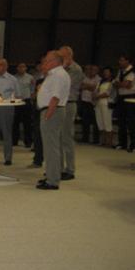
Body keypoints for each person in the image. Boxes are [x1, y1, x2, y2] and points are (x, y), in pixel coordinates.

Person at [36, 51, 70, 190]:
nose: (45, 62)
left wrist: (47, 115)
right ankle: (51, 175)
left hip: (52, 112)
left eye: (47, 60)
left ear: (55, 61)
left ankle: (53, 181)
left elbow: (55, 97)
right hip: (51, 111)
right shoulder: (54, 74)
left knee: (51, 147)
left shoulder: (58, 75)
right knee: (50, 147)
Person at [58, 46, 84, 181]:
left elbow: (64, 85)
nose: (60, 58)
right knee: (58, 138)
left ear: (69, 56)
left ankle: (70, 169)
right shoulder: (60, 68)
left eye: (62, 56)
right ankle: (58, 168)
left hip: (69, 104)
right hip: (59, 104)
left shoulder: (76, 69)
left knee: (67, 137)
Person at [113, 55, 135, 152]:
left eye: (122, 60)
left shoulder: (132, 71)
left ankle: (133, 145)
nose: (120, 62)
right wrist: (120, 84)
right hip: (121, 97)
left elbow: (127, 85)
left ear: (128, 61)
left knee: (131, 122)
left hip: (130, 97)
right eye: (119, 60)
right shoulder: (120, 71)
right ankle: (122, 143)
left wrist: (119, 84)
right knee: (121, 121)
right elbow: (114, 83)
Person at [28, 59, 46, 168]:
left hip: (47, 110)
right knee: (37, 135)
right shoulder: (39, 81)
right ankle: (37, 159)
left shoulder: (53, 81)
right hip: (37, 109)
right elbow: (34, 95)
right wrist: (35, 93)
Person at [13, 62, 34, 148]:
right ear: (17, 68)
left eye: (23, 67)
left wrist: (32, 99)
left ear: (26, 68)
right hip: (16, 101)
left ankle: (28, 141)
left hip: (26, 101)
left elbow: (32, 89)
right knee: (15, 122)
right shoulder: (13, 78)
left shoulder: (30, 77)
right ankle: (14, 140)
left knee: (27, 122)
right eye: (20, 67)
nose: (21, 68)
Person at [79, 65, 100, 144]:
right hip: (85, 101)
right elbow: (80, 87)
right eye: (91, 69)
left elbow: (95, 88)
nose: (92, 71)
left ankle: (96, 139)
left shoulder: (99, 79)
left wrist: (86, 86)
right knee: (85, 121)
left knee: (96, 122)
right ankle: (85, 138)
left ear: (97, 71)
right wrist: (89, 86)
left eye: (94, 70)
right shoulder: (84, 78)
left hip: (94, 103)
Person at [94, 67, 115, 147]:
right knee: (100, 122)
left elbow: (108, 93)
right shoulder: (100, 82)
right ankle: (103, 141)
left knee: (107, 122)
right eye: (105, 72)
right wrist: (95, 95)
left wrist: (97, 96)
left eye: (107, 72)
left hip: (107, 103)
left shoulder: (113, 82)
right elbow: (96, 90)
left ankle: (109, 142)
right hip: (98, 103)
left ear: (111, 73)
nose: (105, 73)